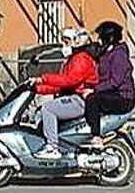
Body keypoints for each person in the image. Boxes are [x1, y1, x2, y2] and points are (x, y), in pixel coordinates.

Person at [32, 27, 98, 159]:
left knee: (48, 109)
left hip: (80, 100)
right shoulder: (72, 60)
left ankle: (52, 147)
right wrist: (38, 88)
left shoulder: (81, 59)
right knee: (41, 111)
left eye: (67, 41)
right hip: (73, 97)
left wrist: (43, 78)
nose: (64, 45)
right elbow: (61, 86)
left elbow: (69, 81)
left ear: (77, 41)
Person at [85, 21, 135, 146]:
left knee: (93, 100)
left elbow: (115, 81)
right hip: (112, 93)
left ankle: (96, 136)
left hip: (123, 97)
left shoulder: (119, 55)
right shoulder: (107, 53)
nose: (99, 41)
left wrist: (95, 90)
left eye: (101, 37)